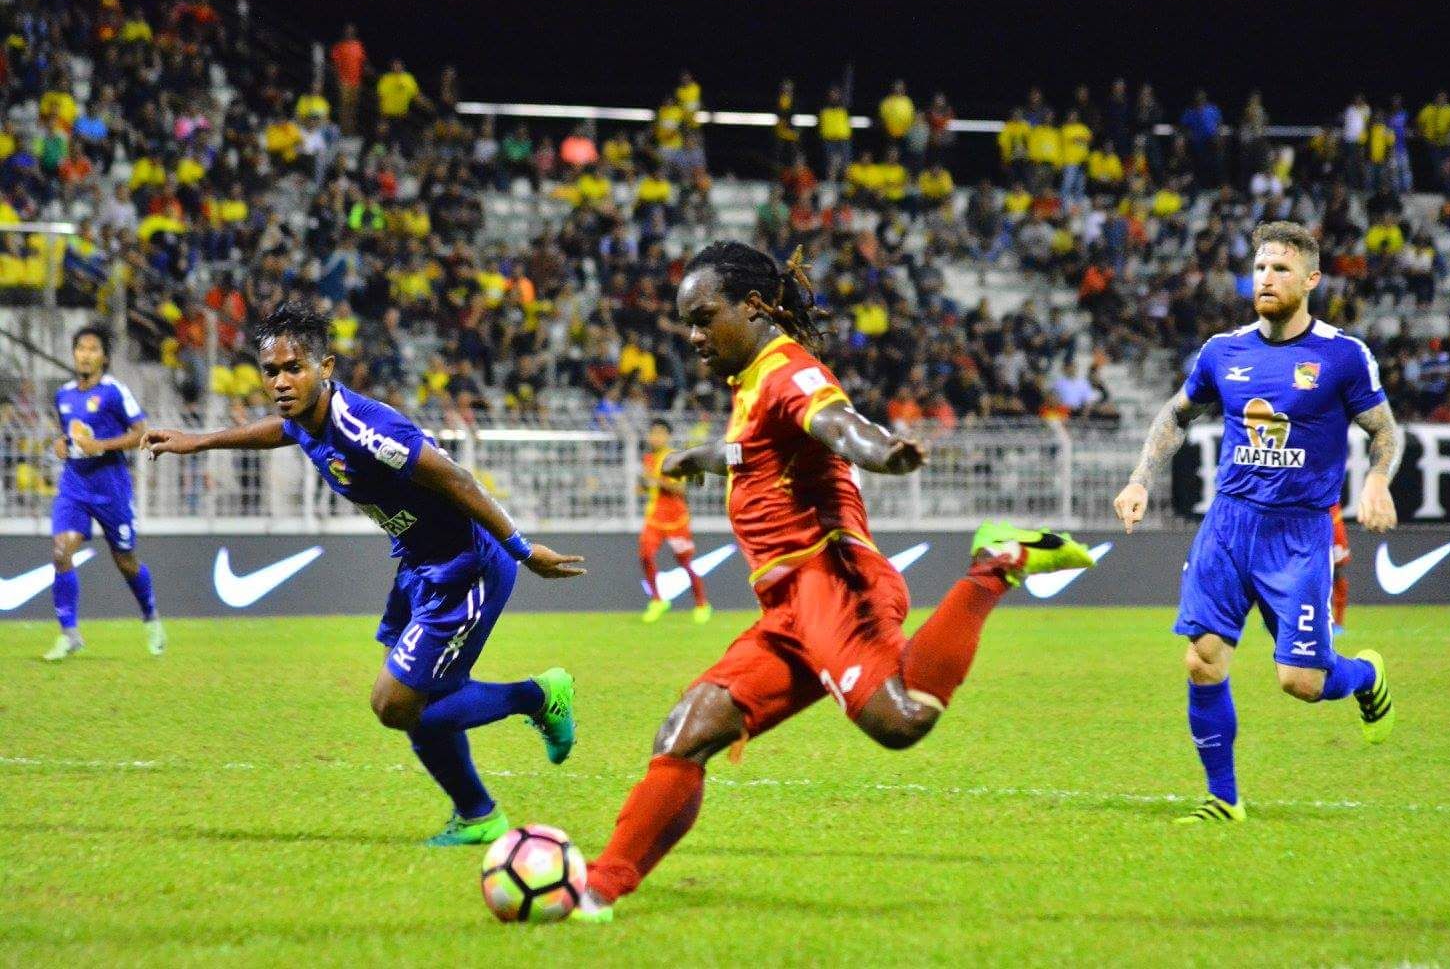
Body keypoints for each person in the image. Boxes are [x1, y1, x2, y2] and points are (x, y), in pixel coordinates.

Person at [570, 242, 1094, 922]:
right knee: (687, 729)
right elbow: (757, 449)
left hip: (832, 581)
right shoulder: (752, 378)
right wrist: (703, 457)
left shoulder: (788, 372)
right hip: (787, 605)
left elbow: (833, 421)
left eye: (703, 319)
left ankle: (996, 565)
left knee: (900, 722)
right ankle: (598, 889)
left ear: (753, 308)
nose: (693, 338)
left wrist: (882, 452)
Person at [142, 305, 585, 846]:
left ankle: (539, 697)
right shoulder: (308, 419)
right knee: (410, 705)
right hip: (420, 568)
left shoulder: (363, 428)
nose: (281, 381)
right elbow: (281, 432)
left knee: (397, 704)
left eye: (294, 368)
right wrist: (201, 441)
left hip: (469, 568)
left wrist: (519, 548)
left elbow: (453, 476)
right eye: (271, 371)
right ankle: (476, 815)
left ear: (325, 367)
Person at [1113, 221, 1401, 824]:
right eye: (1261, 268)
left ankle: (1365, 674)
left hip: (1298, 534)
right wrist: (1141, 477)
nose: (1267, 279)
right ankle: (1224, 798)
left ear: (1311, 279)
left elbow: (1383, 430)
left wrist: (1376, 481)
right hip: (1228, 526)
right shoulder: (1224, 350)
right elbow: (1176, 413)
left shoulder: (1343, 356)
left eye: (1281, 269)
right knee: (1202, 657)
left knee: (1300, 681)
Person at [43, 327, 165, 661]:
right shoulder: (63, 395)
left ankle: (151, 617)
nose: (84, 354)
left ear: (104, 357)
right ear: (74, 354)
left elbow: (141, 433)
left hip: (111, 487)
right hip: (74, 486)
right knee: (60, 551)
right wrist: (61, 444)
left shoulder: (114, 392)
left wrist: (103, 446)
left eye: (92, 348)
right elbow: (70, 435)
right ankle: (69, 634)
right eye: (80, 348)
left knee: (125, 561)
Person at [638, 418, 712, 624]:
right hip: (655, 516)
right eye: (653, 433)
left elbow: (680, 489)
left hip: (675, 520)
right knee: (645, 555)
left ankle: (702, 604)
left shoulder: (673, 458)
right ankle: (657, 600)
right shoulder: (649, 459)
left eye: (660, 433)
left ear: (668, 436)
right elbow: (649, 487)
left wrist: (656, 480)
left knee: (685, 562)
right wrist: (643, 486)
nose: (655, 437)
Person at [1329, 503, 1350, 636]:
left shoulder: (1333, 502)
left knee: (1339, 583)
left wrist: (1340, 544)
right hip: (1314, 539)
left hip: (1335, 542)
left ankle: (1338, 623)